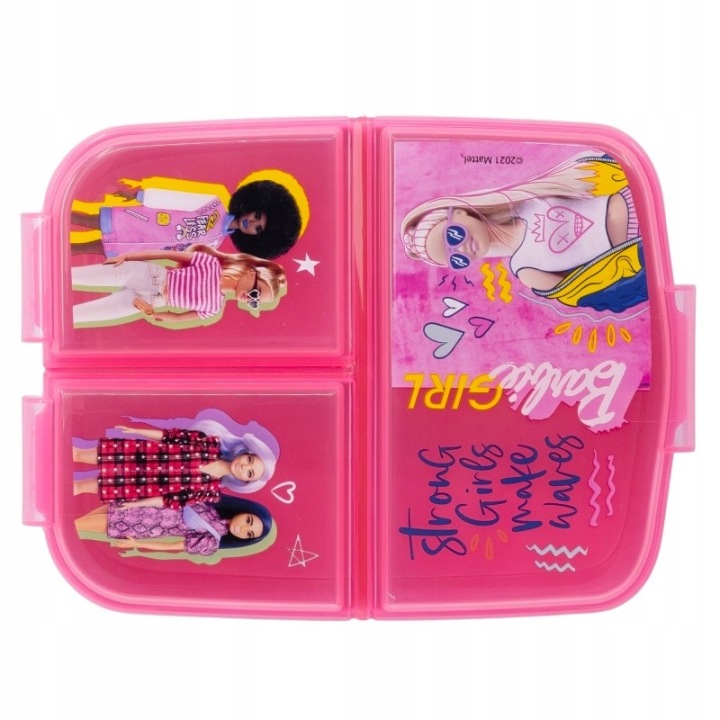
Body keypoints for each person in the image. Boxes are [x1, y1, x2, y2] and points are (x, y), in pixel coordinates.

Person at [400, 153, 647, 312]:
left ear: (459, 213)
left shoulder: (528, 198)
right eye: (456, 258)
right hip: (638, 251)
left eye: (452, 236)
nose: (461, 248)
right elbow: (593, 291)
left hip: (636, 196)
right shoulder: (526, 269)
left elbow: (599, 174)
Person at [72, 409, 280, 502]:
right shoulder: (209, 443)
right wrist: (135, 431)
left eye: (249, 473)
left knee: (79, 487)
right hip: (140, 455)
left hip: (140, 485)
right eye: (250, 460)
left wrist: (136, 503)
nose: (244, 467)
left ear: (245, 482)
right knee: (78, 454)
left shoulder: (209, 490)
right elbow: (170, 436)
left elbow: (168, 500)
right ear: (246, 453)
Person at [71, 179, 304, 260]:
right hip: (139, 221)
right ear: (253, 205)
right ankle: (58, 219)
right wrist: (141, 196)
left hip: (140, 247)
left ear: (257, 239)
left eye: (258, 229)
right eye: (257, 216)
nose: (252, 223)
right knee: (88, 221)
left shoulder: (214, 245)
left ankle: (61, 251)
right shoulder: (214, 204)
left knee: (88, 248)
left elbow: (178, 255)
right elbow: (178, 199)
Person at [72, 245, 286, 327]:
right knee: (76, 276)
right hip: (149, 275)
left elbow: (178, 318)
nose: (250, 299)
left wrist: (153, 313)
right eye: (256, 292)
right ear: (250, 273)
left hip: (150, 301)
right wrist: (127, 257)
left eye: (255, 302)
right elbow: (168, 255)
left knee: (81, 315)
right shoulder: (210, 263)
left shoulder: (213, 308)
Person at [75, 494, 274, 558]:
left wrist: (137, 543)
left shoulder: (212, 541)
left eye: (249, 534)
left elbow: (173, 547)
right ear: (245, 511)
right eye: (248, 521)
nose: (243, 529)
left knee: (77, 525)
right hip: (141, 504)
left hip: (139, 524)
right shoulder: (211, 503)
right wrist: (137, 502)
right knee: (77, 520)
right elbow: (170, 498)